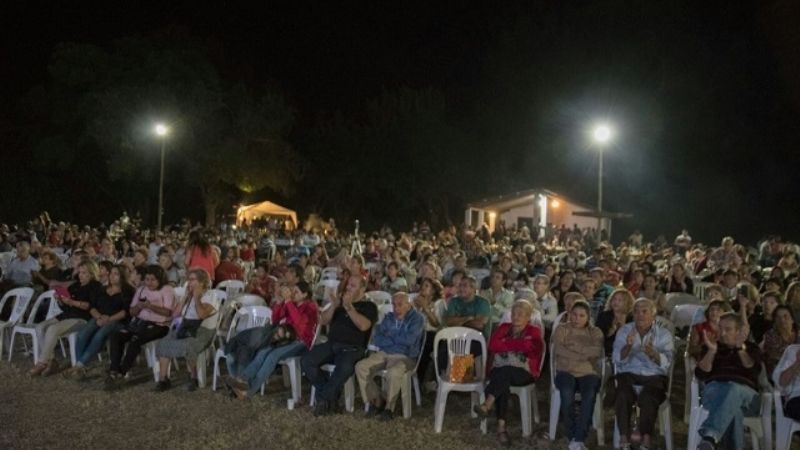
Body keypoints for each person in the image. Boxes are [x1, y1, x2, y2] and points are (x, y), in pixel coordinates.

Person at [225, 281, 318, 399]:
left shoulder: (310, 307)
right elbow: (275, 320)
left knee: (272, 356)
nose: (293, 294)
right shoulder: (291, 304)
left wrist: (288, 302)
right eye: (292, 291)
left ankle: (248, 391)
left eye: (296, 292)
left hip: (301, 342)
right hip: (284, 339)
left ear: (305, 294)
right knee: (262, 352)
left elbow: (300, 326)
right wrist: (279, 303)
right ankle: (242, 380)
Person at [301, 275, 377, 416]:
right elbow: (322, 321)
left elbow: (364, 326)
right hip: (332, 345)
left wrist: (349, 307)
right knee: (307, 360)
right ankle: (331, 397)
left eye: (353, 286)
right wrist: (334, 306)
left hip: (353, 348)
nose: (348, 288)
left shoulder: (369, 306)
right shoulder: (339, 304)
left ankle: (323, 399)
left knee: (344, 368)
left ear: (362, 289)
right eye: (348, 284)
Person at [473, 300, 545, 446]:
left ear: (528, 317)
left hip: (524, 372)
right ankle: (501, 427)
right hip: (499, 370)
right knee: (503, 379)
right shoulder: (504, 327)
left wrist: (505, 343)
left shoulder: (534, 331)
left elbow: (531, 348)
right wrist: (516, 344)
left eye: (520, 314)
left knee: (503, 373)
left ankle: (487, 404)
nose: (516, 317)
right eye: (514, 313)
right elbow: (493, 345)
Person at [612, 298, 674, 450]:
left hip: (654, 376)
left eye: (644, 311)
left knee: (648, 397)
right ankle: (623, 437)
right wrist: (628, 346)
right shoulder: (625, 331)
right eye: (637, 311)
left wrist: (654, 354)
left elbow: (668, 362)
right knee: (622, 394)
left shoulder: (664, 334)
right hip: (629, 373)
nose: (640, 314)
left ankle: (646, 438)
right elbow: (616, 359)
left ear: (653, 315)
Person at [694, 313, 762, 450]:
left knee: (733, 389)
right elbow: (700, 374)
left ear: (738, 331)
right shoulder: (711, 347)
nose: (722, 333)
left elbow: (754, 370)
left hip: (746, 395)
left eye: (728, 329)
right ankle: (710, 437)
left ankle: (710, 435)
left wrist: (740, 350)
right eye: (720, 328)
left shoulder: (751, 348)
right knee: (734, 411)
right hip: (715, 390)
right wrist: (712, 352)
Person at [355, 292, 424, 420]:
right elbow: (377, 338)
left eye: (400, 304)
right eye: (393, 304)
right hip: (384, 353)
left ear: (409, 305)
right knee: (361, 367)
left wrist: (390, 335)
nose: (396, 308)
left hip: (405, 356)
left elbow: (409, 340)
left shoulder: (417, 318)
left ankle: (389, 408)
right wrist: (395, 339)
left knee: (393, 372)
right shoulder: (389, 317)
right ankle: (377, 400)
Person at [106, 265, 178, 386]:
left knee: (136, 340)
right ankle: (114, 370)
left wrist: (150, 306)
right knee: (116, 336)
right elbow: (131, 311)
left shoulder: (167, 290)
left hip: (159, 325)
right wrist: (138, 307)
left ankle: (122, 371)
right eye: (147, 279)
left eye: (152, 280)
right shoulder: (141, 290)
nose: (149, 283)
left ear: (160, 279)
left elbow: (168, 312)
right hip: (139, 323)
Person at [29, 260, 104, 376]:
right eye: (80, 272)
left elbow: (89, 306)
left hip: (81, 318)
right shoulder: (75, 285)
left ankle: (42, 363)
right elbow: (65, 306)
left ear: (91, 273)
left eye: (84, 273)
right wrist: (60, 300)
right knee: (40, 327)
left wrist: (71, 302)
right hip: (66, 315)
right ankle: (51, 361)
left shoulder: (95, 286)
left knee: (52, 329)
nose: (80, 275)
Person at [154, 269, 220, 391]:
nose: (189, 282)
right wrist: (185, 297)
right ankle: (163, 379)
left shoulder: (211, 296)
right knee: (163, 342)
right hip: (186, 327)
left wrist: (196, 297)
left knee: (189, 345)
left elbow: (201, 315)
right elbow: (175, 314)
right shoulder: (188, 295)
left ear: (201, 282)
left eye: (192, 279)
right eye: (188, 279)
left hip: (203, 330)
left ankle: (193, 377)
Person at [64, 264, 135, 378]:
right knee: (82, 335)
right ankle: (80, 368)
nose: (112, 276)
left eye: (116, 274)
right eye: (111, 273)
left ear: (122, 276)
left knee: (99, 335)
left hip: (118, 320)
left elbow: (125, 312)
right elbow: (92, 307)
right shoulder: (103, 289)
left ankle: (78, 366)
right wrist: (98, 317)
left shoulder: (128, 291)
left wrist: (109, 319)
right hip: (99, 317)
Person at [552, 301, 604, 450]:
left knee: (588, 396)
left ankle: (578, 437)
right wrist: (583, 352)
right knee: (566, 393)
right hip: (565, 371)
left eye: (581, 316)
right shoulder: (562, 329)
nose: (577, 318)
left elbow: (596, 352)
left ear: (588, 317)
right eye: (574, 314)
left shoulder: (595, 332)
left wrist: (573, 349)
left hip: (589, 372)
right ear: (569, 315)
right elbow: (559, 350)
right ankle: (572, 434)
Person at [437, 275, 491, 374]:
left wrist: (457, 321)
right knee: (442, 346)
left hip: (477, 339)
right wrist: (467, 318)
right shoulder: (454, 301)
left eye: (465, 286)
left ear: (473, 289)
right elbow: (448, 322)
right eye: (460, 285)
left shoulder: (482, 303)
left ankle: (460, 379)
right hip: (456, 336)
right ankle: (443, 378)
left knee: (464, 347)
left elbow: (479, 325)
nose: (461, 288)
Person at [413, 277, 446, 386]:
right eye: (422, 285)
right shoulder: (419, 300)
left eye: (426, 286)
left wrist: (425, 308)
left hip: (436, 336)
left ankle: (418, 380)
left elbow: (436, 324)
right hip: (420, 333)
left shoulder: (439, 303)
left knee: (425, 341)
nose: (422, 288)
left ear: (433, 290)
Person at [596, 288, 635, 356]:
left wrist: (622, 326)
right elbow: (597, 335)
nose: (616, 302)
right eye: (614, 299)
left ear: (627, 302)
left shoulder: (632, 318)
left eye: (620, 300)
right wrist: (610, 332)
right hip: (608, 349)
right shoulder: (604, 315)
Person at [762, 304, 799, 376]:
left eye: (785, 316)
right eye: (778, 317)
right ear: (774, 320)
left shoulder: (798, 335)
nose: (782, 320)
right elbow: (775, 356)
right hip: (778, 372)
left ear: (792, 319)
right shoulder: (770, 335)